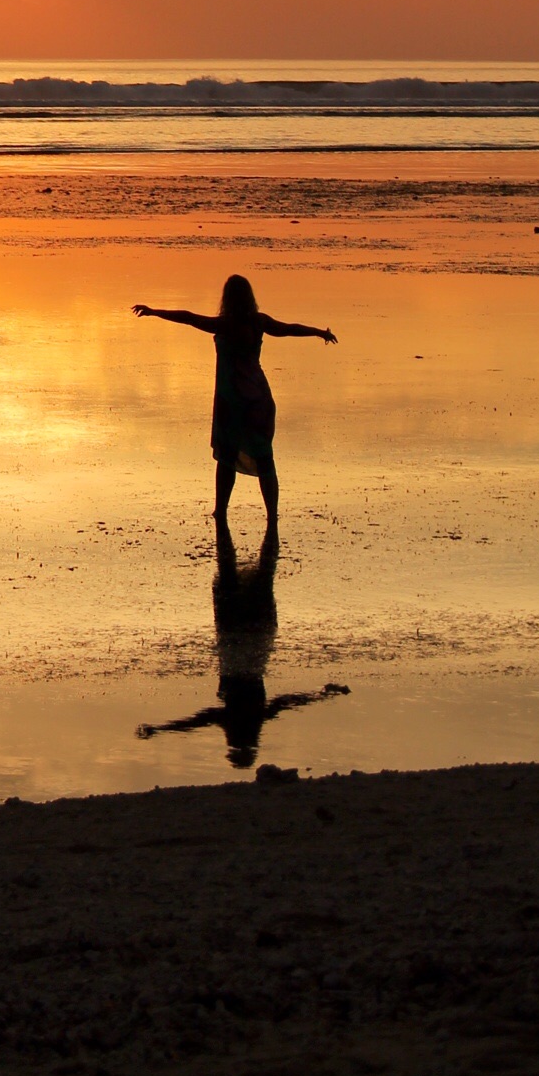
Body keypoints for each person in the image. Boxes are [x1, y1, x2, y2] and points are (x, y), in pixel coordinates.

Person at [135, 522, 349, 767]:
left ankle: (237, 524)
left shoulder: (242, 717)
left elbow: (195, 722)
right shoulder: (243, 716)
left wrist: (161, 730)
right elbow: (288, 702)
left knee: (250, 574)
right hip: (243, 631)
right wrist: (321, 694)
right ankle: (259, 524)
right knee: (244, 574)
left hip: (248, 631)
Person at [132, 274, 336, 529]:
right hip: (258, 399)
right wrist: (319, 332)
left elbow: (188, 317)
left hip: (234, 402)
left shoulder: (224, 325)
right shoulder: (258, 322)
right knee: (263, 458)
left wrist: (154, 312)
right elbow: (289, 329)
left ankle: (222, 511)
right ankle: (270, 517)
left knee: (227, 457)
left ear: (227, 298)